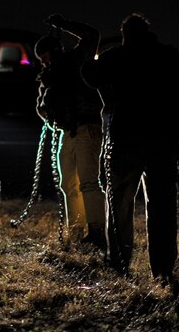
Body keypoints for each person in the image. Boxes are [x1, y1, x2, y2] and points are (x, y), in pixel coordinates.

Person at [81, 13, 179, 285]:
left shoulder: (117, 57)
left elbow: (89, 75)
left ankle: (119, 262)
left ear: (125, 33)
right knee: (162, 205)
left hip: (125, 138)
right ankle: (162, 270)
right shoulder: (165, 55)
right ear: (149, 33)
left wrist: (94, 54)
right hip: (163, 139)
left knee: (118, 204)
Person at [34, 13, 106, 250]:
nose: (43, 63)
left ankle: (97, 233)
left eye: (44, 58)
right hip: (68, 132)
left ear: (53, 51)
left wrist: (64, 25)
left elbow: (92, 34)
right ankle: (77, 231)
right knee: (69, 185)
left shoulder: (77, 59)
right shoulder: (50, 76)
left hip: (86, 127)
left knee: (88, 182)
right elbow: (43, 109)